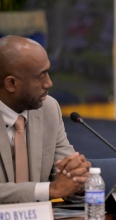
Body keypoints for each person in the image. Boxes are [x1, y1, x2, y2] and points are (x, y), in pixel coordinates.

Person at [0, 35, 91, 203]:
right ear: (11, 83)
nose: (49, 83)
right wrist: (51, 189)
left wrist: (79, 176)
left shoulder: (48, 109)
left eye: (48, 72)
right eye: (41, 76)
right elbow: (55, 188)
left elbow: (67, 172)